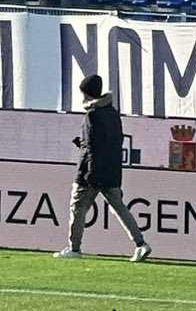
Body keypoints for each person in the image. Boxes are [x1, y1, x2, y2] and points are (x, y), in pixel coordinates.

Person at [56, 71, 151, 261]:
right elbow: (111, 142)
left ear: (87, 93)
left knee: (77, 208)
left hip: (91, 172)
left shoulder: (92, 115)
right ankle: (140, 244)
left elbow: (92, 147)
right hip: (112, 170)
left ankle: (74, 249)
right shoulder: (113, 113)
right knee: (120, 208)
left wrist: (90, 172)